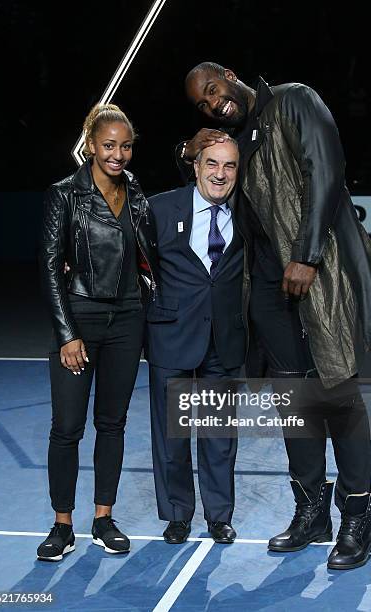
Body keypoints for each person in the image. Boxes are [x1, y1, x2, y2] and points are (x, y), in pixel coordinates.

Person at [179, 62, 371, 569]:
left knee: (337, 394)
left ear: (230, 76)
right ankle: (312, 513)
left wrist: (308, 254)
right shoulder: (235, 141)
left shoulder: (294, 99)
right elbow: (213, 181)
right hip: (270, 292)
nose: (215, 103)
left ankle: (358, 523)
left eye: (214, 90)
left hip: (319, 274)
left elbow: (328, 170)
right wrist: (184, 150)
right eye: (204, 104)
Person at [37, 103, 158, 561]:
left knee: (112, 424)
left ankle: (103, 518)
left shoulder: (138, 193)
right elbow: (49, 269)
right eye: (109, 145)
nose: (118, 154)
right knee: (67, 428)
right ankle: (62, 525)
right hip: (80, 320)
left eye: (125, 146)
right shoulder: (64, 195)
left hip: (128, 321)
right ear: (90, 145)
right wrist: (67, 334)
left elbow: (147, 255)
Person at [147, 139, 245, 545]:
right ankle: (176, 515)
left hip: (223, 338)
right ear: (196, 165)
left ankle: (219, 516)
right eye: (212, 163)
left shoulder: (249, 213)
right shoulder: (159, 208)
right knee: (171, 435)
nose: (220, 173)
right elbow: (133, 261)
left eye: (230, 166)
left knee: (219, 435)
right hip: (171, 333)